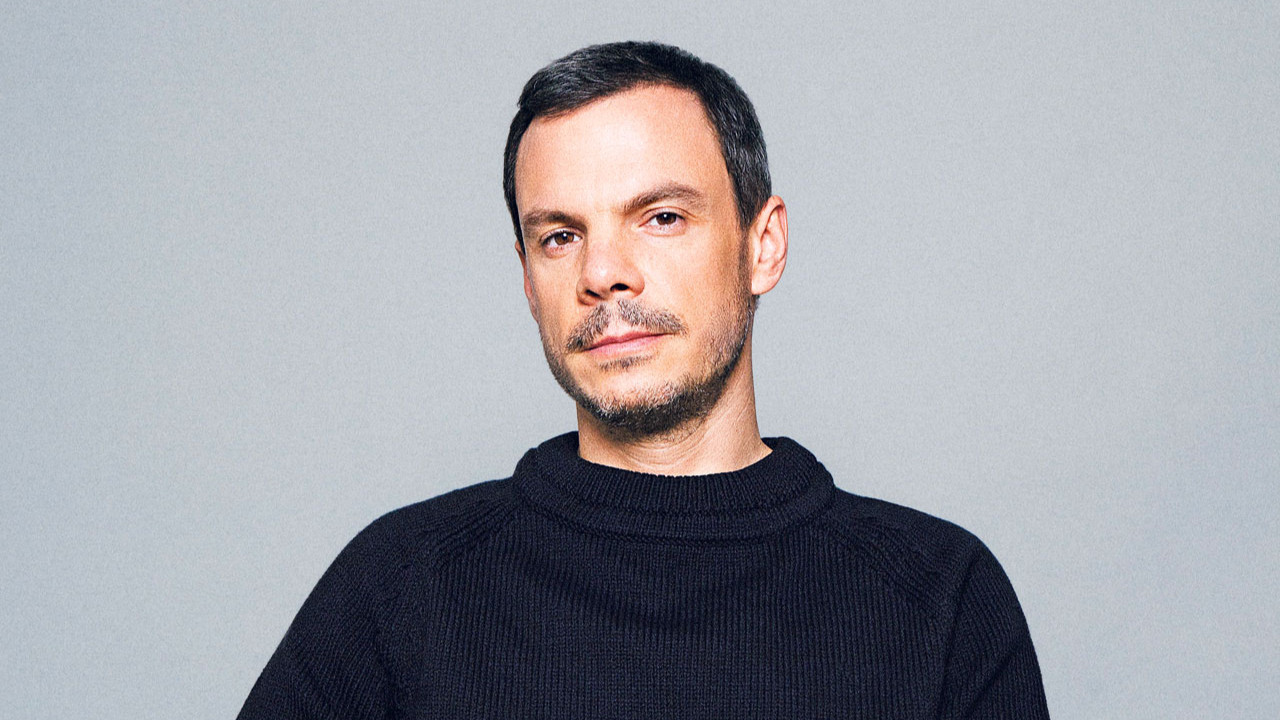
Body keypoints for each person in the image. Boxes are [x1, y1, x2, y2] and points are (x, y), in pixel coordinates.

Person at [238, 41, 1050, 718]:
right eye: (560, 236)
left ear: (762, 246)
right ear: (527, 280)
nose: (603, 273)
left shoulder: (939, 597)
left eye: (661, 217)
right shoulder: (402, 587)